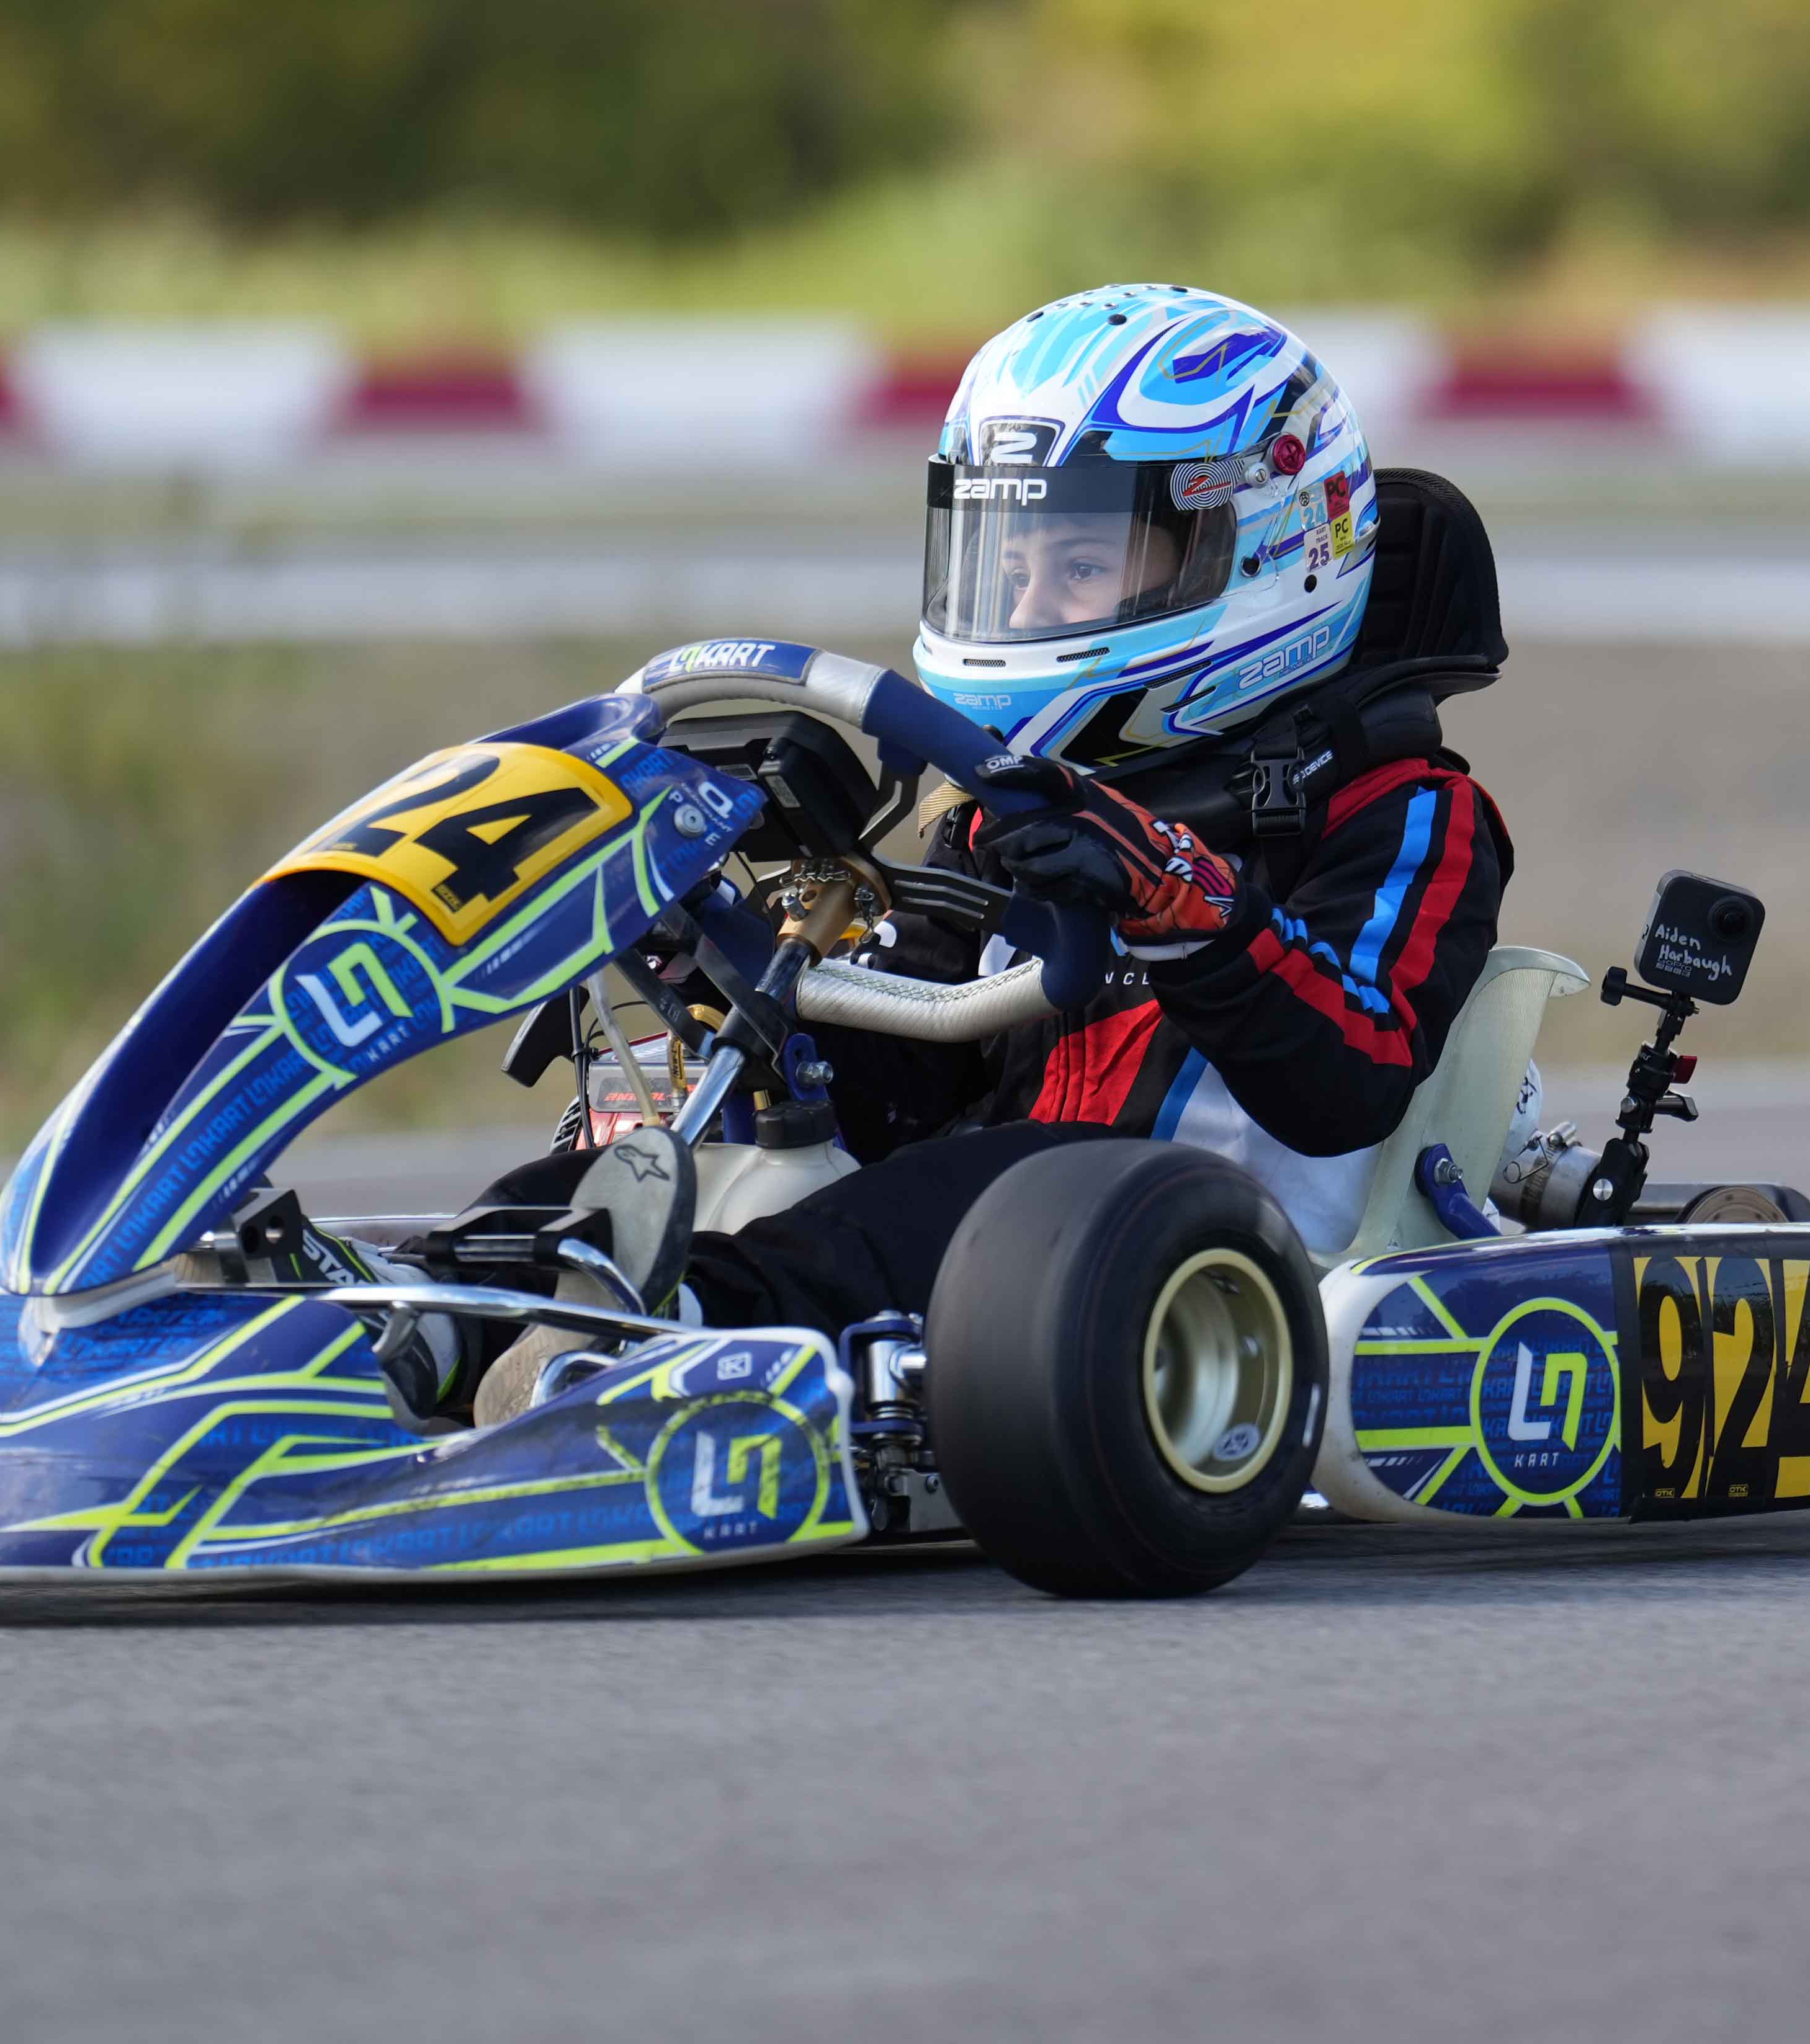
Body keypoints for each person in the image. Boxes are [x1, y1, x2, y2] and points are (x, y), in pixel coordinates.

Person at [455, 284, 1516, 1417]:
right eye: (1011, 566)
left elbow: (1348, 1077)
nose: (1029, 601)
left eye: (1081, 570)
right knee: (625, 1183)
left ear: (1263, 554)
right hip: (1015, 1253)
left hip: (1208, 1262)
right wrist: (737, 979)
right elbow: (911, 1069)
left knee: (972, 1190)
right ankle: (426, 1320)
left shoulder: (1406, 809)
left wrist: (1175, 900)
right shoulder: (1009, 806)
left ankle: (653, 1352)